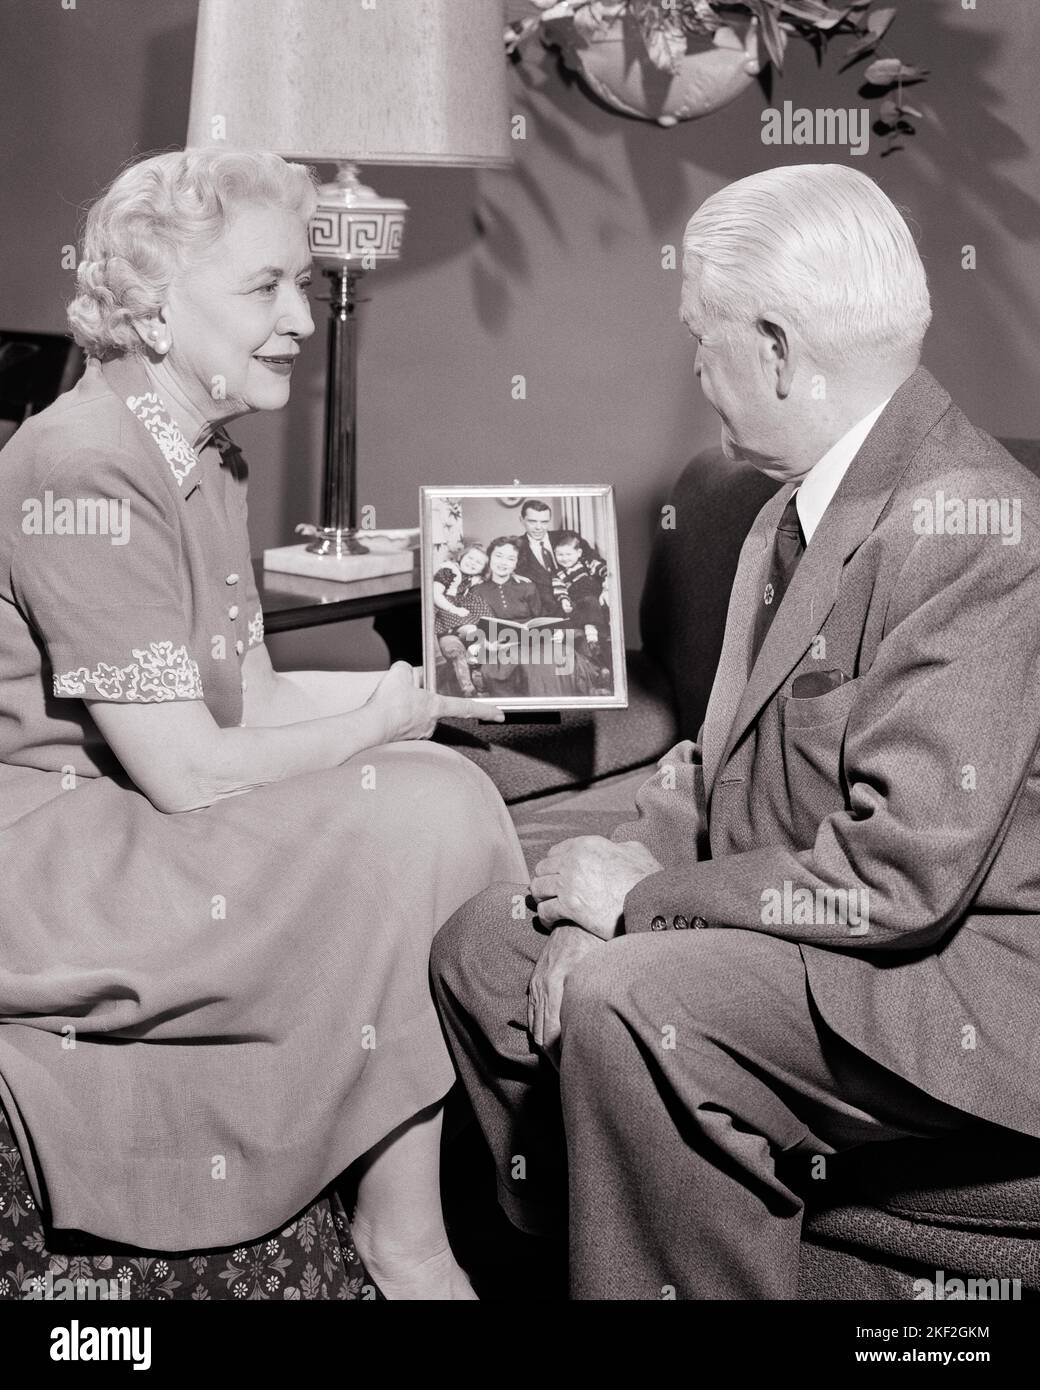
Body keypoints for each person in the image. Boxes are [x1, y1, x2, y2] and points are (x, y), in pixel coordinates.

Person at [431, 163, 1040, 1299]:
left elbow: (896, 881)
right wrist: (611, 889)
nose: (694, 367)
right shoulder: (780, 511)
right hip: (797, 934)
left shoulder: (972, 526)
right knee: (484, 946)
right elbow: (714, 777)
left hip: (950, 980)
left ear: (773, 348)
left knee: (633, 1001)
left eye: (700, 336)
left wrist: (639, 912)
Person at [0, 148, 527, 1301]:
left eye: (302, 284)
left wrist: (418, 702)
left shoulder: (200, 451)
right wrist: (387, 721)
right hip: (61, 865)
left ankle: (414, 1224)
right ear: (148, 304)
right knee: (422, 808)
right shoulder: (85, 462)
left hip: (140, 817)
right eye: (265, 287)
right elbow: (189, 769)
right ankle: (413, 1238)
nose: (299, 315)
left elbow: (260, 699)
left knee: (439, 786)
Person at [433, 544, 491, 696]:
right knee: (473, 632)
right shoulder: (449, 571)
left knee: (478, 634)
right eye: (470, 558)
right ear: (461, 557)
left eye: (478, 563)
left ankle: (476, 672)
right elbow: (436, 594)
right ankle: (469, 684)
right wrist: (454, 609)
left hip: (460, 617)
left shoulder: (474, 580)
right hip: (446, 612)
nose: (472, 563)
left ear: (483, 569)